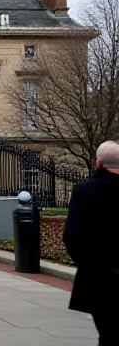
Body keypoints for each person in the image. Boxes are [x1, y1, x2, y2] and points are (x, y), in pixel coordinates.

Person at [64, 140, 119, 345]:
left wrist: (88, 265)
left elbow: (72, 235)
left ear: (98, 164)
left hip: (100, 276)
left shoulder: (85, 191)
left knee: (109, 333)